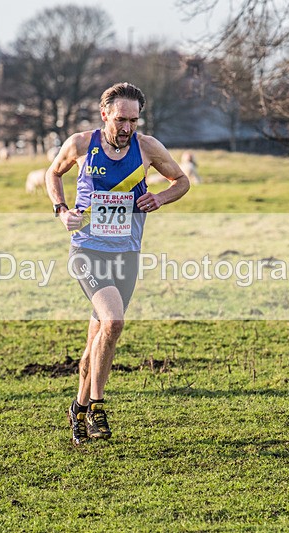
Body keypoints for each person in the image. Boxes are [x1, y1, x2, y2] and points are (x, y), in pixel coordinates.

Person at [46, 82, 190, 446]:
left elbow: (182, 180)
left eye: (134, 120)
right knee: (114, 321)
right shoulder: (81, 144)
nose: (127, 127)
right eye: (121, 119)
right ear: (105, 114)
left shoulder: (148, 148)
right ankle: (97, 406)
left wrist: (160, 198)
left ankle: (77, 411)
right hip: (87, 251)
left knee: (98, 338)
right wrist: (61, 210)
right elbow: (53, 173)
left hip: (126, 254)